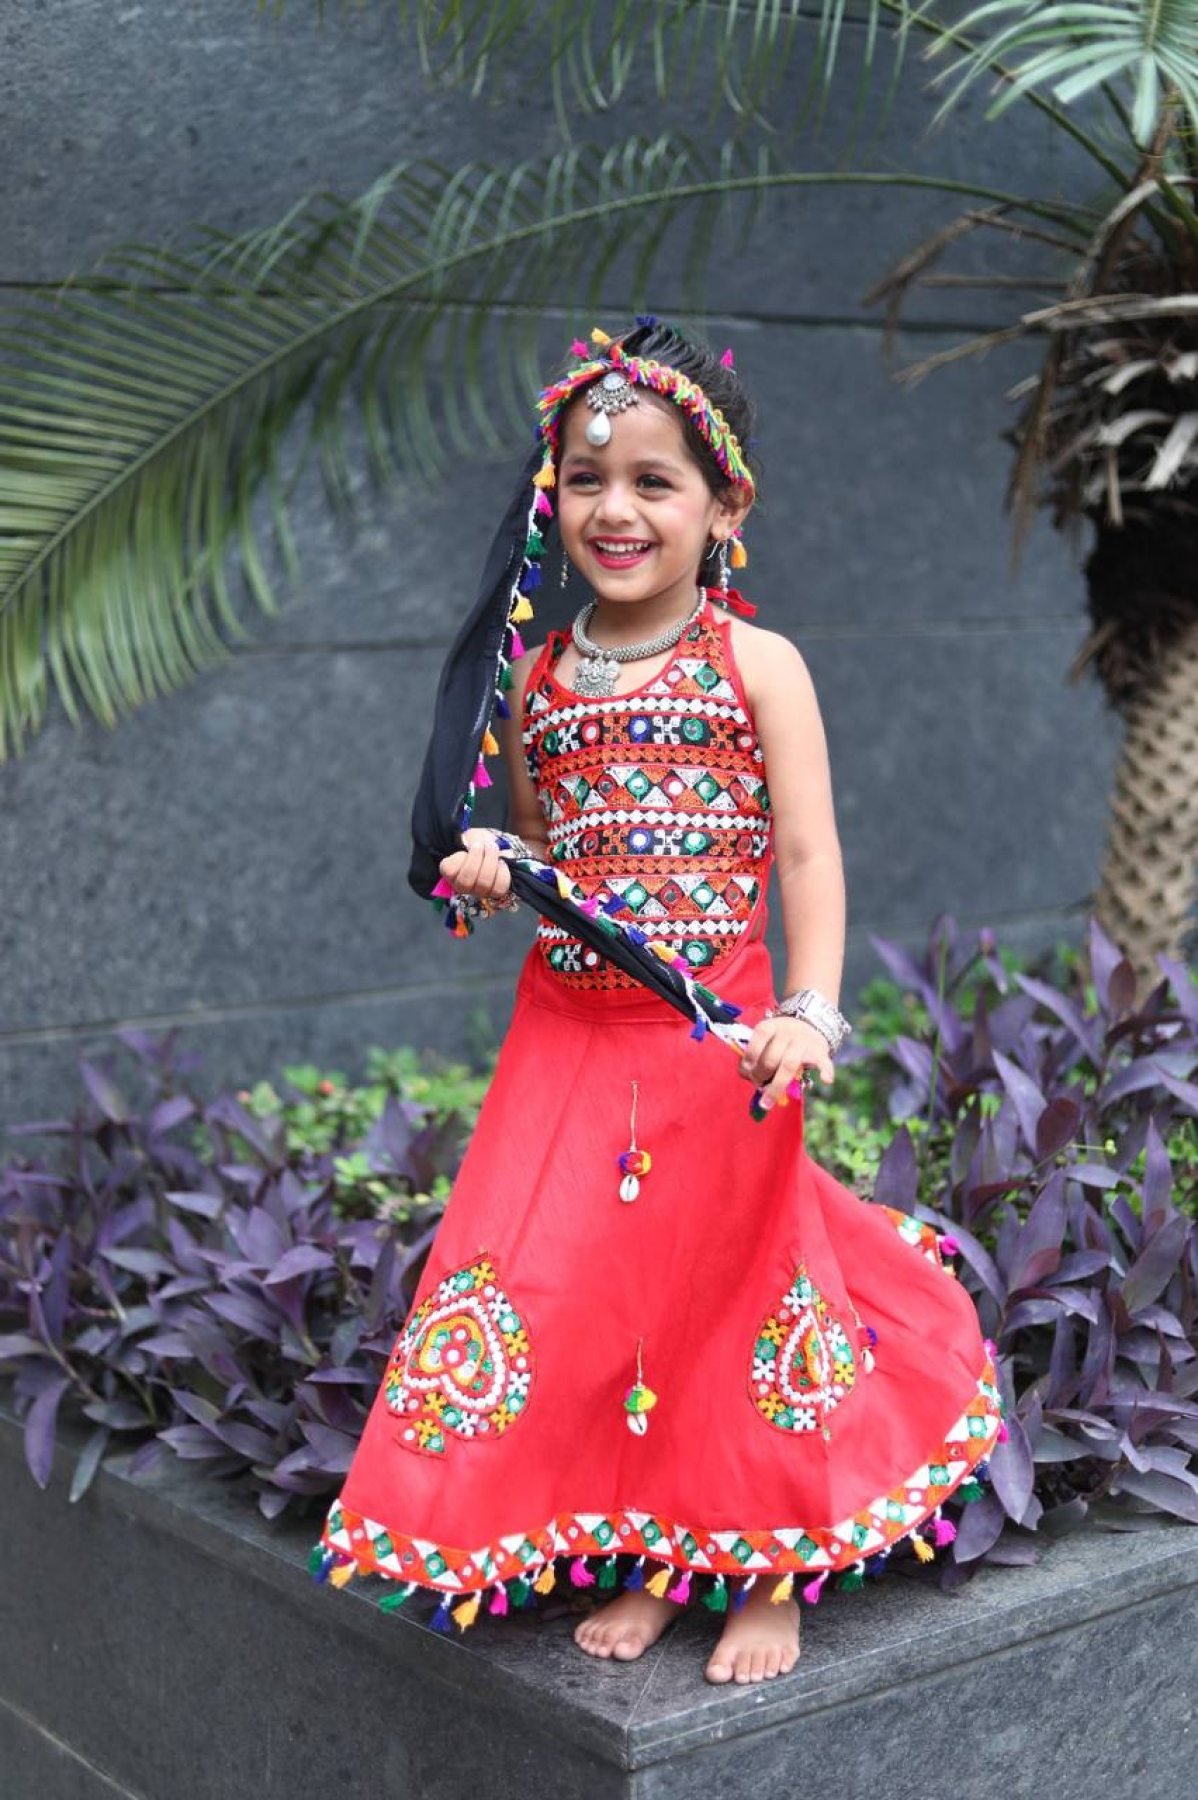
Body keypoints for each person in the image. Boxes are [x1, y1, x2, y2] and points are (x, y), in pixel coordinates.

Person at [309, 318, 1004, 1687]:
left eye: (652, 481)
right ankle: (650, 1550)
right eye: (585, 479)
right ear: (550, 496)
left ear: (723, 505)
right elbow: (541, 851)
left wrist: (809, 1010)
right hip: (567, 1040)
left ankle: (766, 1565)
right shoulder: (537, 679)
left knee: (734, 1288)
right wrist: (495, 870)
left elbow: (807, 854)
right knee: (574, 1281)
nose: (613, 509)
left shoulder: (759, 663)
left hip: (716, 1038)